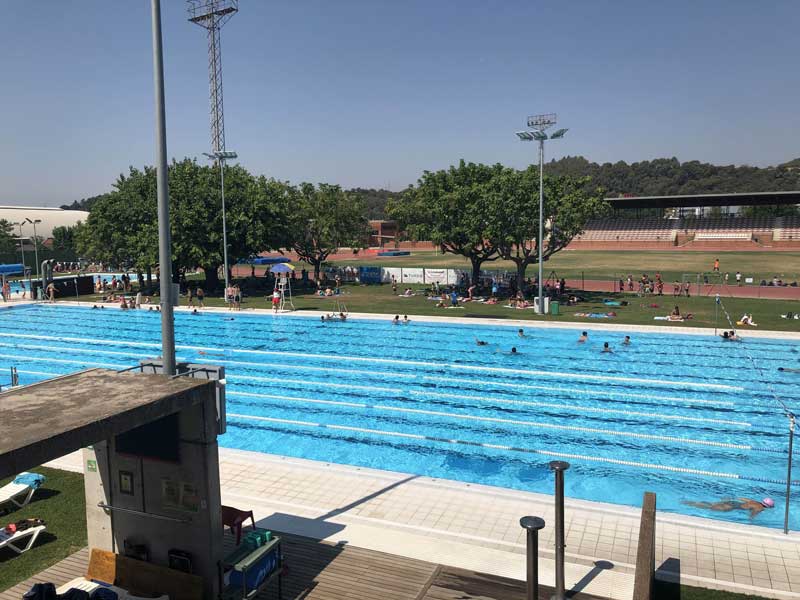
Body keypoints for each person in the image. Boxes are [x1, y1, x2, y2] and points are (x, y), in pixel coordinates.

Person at [683, 497, 774, 519]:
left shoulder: (755, 501)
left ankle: (690, 502)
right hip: (732, 506)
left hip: (733, 502)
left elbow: (741, 498)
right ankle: (689, 503)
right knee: (709, 507)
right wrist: (751, 520)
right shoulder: (760, 508)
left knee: (710, 505)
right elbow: (752, 515)